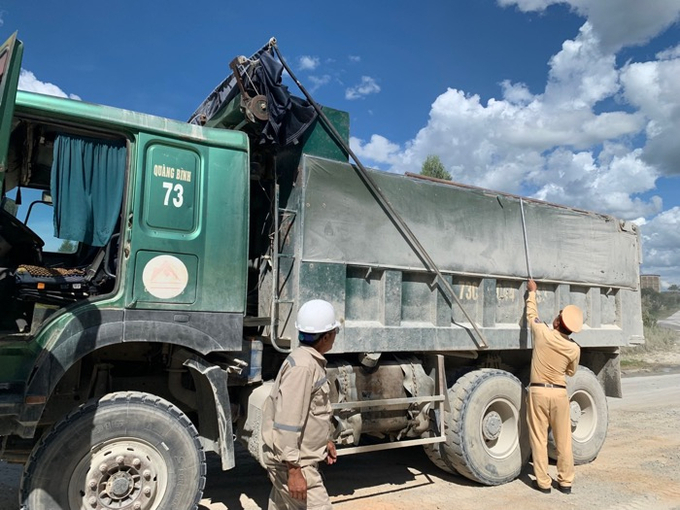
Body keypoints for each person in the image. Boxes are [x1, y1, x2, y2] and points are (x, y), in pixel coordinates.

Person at [261, 299, 339, 509]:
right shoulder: (303, 368)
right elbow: (288, 421)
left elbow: (310, 414)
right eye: (334, 331)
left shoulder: (305, 360)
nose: (335, 336)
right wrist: (294, 471)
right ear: (325, 337)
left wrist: (324, 441)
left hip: (293, 461)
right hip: (295, 465)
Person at [525, 278, 582, 495]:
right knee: (563, 440)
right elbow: (571, 372)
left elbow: (532, 315)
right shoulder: (574, 349)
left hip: (538, 391)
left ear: (557, 322)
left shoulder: (543, 333)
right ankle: (565, 482)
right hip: (559, 394)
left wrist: (532, 292)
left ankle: (543, 483)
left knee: (539, 438)